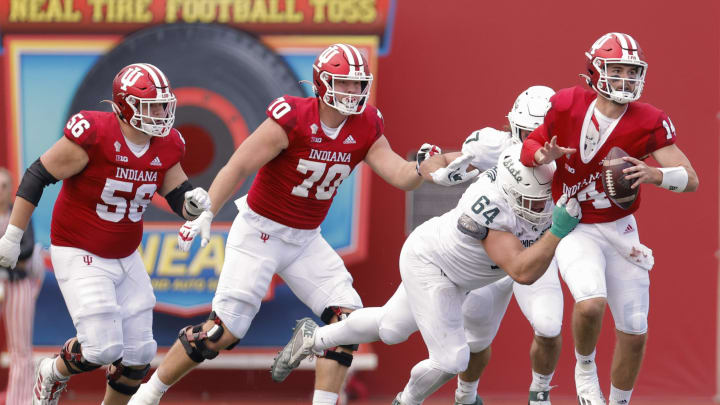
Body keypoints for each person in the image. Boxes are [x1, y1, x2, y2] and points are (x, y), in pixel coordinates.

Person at [128, 43, 450, 405]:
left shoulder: (366, 124)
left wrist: (423, 168)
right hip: (259, 233)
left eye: (358, 84)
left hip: (306, 240)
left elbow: (399, 174)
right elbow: (239, 165)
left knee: (348, 322)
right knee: (223, 331)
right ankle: (148, 395)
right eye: (344, 84)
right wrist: (208, 211)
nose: (354, 92)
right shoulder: (294, 117)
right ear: (323, 83)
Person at [269, 143, 583, 405]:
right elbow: (521, 271)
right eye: (531, 202)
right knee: (451, 359)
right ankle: (406, 401)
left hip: (461, 272)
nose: (539, 207)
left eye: (543, 200)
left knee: (391, 328)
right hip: (434, 264)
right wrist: (556, 231)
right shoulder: (489, 207)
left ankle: (315, 338)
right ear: (511, 191)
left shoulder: (537, 175)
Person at [0, 63, 211, 405]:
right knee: (101, 348)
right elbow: (37, 174)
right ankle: (52, 372)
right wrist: (12, 236)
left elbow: (177, 196)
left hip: (125, 253)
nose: (161, 112)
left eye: (163, 103)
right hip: (79, 248)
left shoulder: (168, 143)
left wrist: (193, 205)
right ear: (126, 107)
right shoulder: (95, 134)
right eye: (151, 105)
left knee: (139, 354)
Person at [519, 32, 699, 405]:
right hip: (575, 224)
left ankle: (618, 402)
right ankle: (585, 367)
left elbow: (691, 180)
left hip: (620, 228)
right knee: (589, 302)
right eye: (616, 69)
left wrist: (655, 175)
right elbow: (530, 145)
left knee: (634, 331)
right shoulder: (567, 104)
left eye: (631, 72)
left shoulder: (649, 120)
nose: (625, 79)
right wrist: (542, 156)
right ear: (595, 70)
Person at [436, 85, 561, 405]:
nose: (536, 143)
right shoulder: (494, 145)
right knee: (476, 340)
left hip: (536, 249)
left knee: (548, 326)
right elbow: (455, 164)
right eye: (528, 132)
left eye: (545, 133)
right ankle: (466, 396)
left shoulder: (567, 157)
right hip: (490, 253)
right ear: (513, 126)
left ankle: (540, 394)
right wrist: (433, 168)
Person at [0, 168, 46, 405]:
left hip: (18, 285)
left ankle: (19, 401)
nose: (0, 191)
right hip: (4, 281)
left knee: (20, 349)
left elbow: (27, 250)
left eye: (4, 186)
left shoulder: (20, 215)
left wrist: (8, 264)